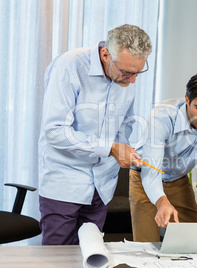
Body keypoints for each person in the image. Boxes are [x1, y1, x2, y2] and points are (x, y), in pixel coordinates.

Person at [38, 24, 152, 245]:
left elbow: (124, 126)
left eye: (138, 72)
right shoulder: (69, 66)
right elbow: (55, 131)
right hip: (65, 183)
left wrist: (125, 150)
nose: (132, 80)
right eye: (127, 72)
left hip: (102, 187)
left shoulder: (128, 74)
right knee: (57, 259)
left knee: (92, 255)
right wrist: (110, 148)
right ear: (106, 54)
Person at [129, 73, 197, 242]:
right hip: (145, 177)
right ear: (187, 99)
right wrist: (161, 201)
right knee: (147, 245)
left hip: (178, 179)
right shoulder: (162, 116)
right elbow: (151, 169)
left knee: (195, 241)